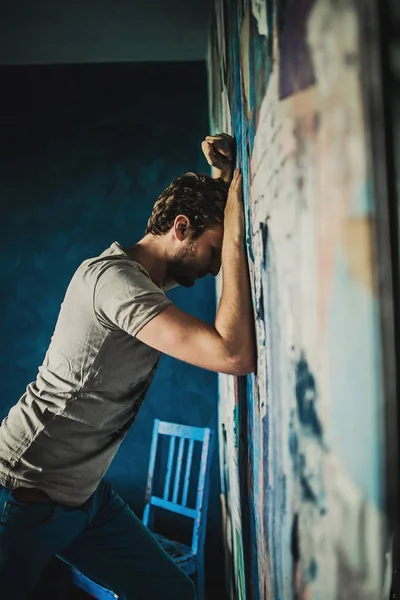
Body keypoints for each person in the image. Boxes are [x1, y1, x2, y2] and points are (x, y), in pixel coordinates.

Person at [0, 133, 255, 599]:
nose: (217, 267)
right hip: (25, 494)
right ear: (180, 227)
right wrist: (234, 230)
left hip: (84, 498)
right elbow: (232, 355)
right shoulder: (116, 283)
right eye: (214, 251)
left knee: (173, 593)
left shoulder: (137, 283)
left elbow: (192, 249)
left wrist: (222, 178)